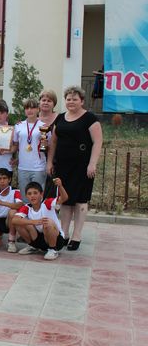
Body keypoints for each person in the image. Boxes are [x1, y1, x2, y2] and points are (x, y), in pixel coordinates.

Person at [47, 86, 102, 251]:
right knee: (65, 200)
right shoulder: (60, 118)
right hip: (63, 166)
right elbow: (53, 142)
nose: (71, 102)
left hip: (82, 167)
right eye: (68, 99)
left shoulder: (90, 118)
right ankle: (64, 233)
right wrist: (50, 162)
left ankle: (76, 235)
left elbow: (97, 142)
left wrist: (92, 164)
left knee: (80, 201)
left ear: (82, 101)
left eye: (75, 99)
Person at [12, 179, 69, 260]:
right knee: (19, 223)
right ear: (26, 196)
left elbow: (64, 198)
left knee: (47, 222)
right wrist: (34, 222)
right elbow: (14, 220)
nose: (32, 196)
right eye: (29, 194)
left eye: (35, 193)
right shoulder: (27, 207)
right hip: (39, 238)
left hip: (57, 240)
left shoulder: (47, 203)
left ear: (41, 194)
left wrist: (60, 186)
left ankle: (53, 250)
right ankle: (33, 246)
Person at [14, 98, 47, 196]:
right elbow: (15, 145)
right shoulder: (18, 125)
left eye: (32, 108)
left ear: (38, 109)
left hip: (38, 166)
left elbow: (46, 147)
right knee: (25, 196)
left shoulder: (44, 126)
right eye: (27, 108)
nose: (29, 110)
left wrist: (45, 144)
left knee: (38, 196)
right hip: (23, 166)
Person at [0, 168, 24, 253]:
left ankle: (11, 241)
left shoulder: (15, 191)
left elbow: (19, 205)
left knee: (13, 212)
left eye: (4, 178)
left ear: (9, 179)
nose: (2, 181)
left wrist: (1, 202)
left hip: (8, 221)